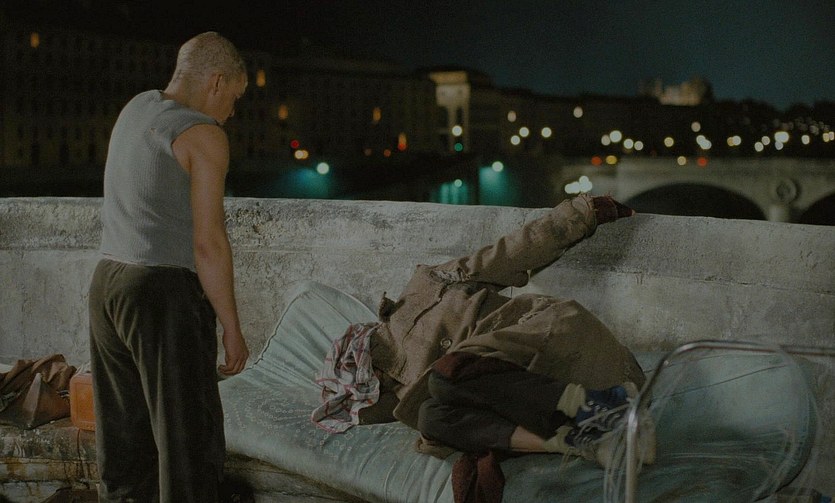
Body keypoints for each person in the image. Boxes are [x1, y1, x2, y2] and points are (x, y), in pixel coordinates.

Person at [312, 194, 654, 501]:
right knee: (431, 416)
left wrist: (582, 213)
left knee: (448, 374)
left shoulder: (425, 289)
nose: (362, 384)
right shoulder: (406, 395)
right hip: (542, 399)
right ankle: (582, 443)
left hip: (567, 348)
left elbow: (509, 255)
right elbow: (377, 414)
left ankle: (610, 407)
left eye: (353, 369)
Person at [88, 32, 250, 502]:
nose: (232, 112)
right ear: (216, 82)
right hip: (160, 293)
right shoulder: (204, 135)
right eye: (235, 97)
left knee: (125, 445)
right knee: (188, 445)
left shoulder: (137, 107)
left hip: (107, 284)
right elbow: (208, 243)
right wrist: (232, 327)